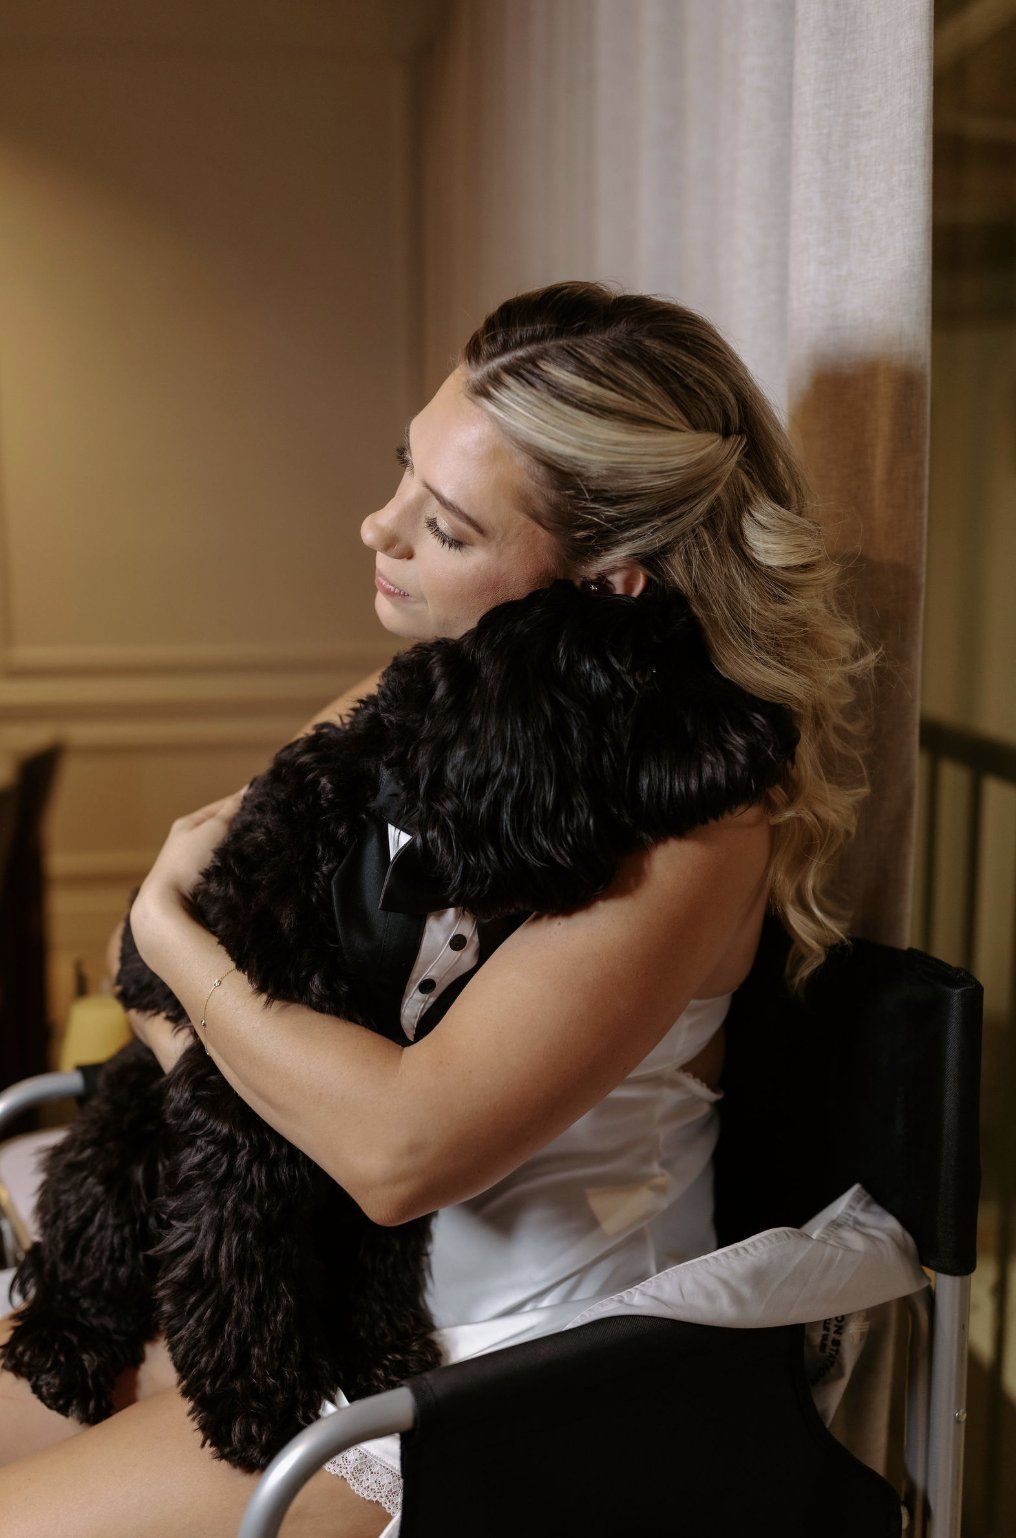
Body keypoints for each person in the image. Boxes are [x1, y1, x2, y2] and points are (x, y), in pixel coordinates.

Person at [0, 280, 875, 1537]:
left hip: (496, 1362)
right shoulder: (425, 684)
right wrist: (226, 1024)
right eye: (400, 475)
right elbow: (162, 953)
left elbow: (395, 1150)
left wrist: (181, 956)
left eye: (446, 526)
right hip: (307, 1265)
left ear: (609, 580)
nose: (375, 526)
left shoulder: (698, 816)